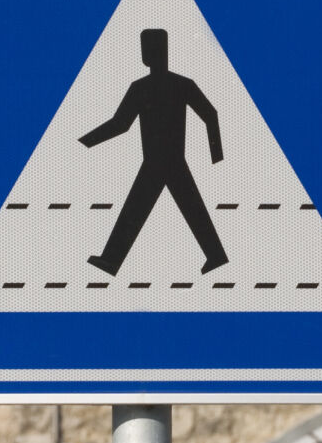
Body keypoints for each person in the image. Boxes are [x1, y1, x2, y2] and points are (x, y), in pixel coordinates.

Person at [79, 27, 228, 276]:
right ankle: (216, 256)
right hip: (171, 161)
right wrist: (216, 155)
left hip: (157, 162)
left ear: (148, 53)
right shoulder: (181, 84)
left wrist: (86, 142)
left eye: (145, 47)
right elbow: (210, 115)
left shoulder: (142, 87)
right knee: (188, 208)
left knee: (137, 209)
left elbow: (119, 125)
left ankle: (111, 261)